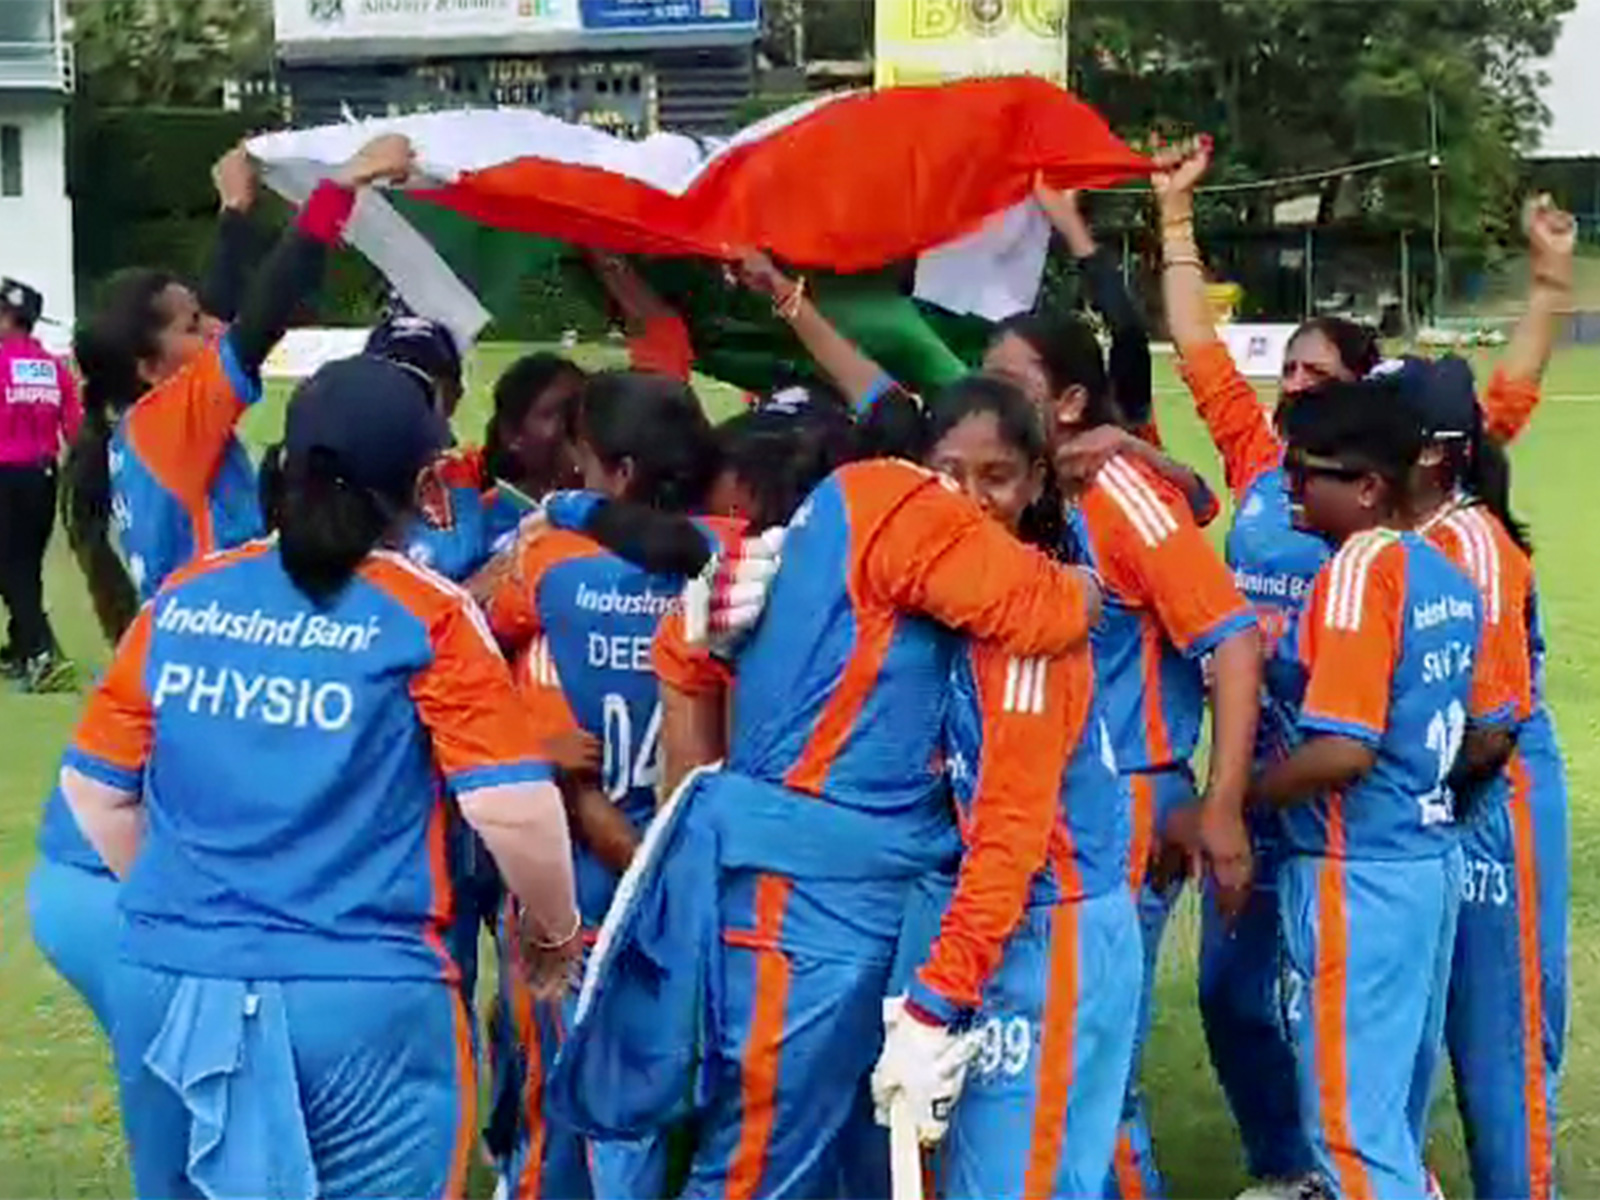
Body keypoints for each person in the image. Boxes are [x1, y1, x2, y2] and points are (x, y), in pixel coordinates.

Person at [1153, 136, 1573, 1198]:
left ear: (1380, 455)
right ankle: (1291, 1168)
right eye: (1283, 372)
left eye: (1313, 376)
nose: (1288, 390)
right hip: (1298, 792)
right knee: (1244, 1000)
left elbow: (1503, 406)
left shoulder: (1397, 541)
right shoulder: (1274, 473)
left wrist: (1550, 283)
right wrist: (1171, 218)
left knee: (1412, 1033)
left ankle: (1377, 1168)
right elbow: (1198, 347)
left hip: (1351, 809)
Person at [59, 353, 582, 1200]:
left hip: (172, 983)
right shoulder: (430, 615)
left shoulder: (185, 600)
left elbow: (96, 793)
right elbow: (514, 809)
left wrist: (205, 906)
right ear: (421, 484)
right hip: (364, 1001)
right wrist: (553, 935)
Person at [554, 440, 1105, 1199]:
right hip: (805, 903)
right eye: (964, 479)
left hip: (801, 894)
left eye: (997, 477)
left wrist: (564, 508)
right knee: (758, 1161)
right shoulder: (897, 516)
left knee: (813, 1154)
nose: (978, 502)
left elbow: (686, 669)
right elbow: (1044, 609)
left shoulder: (794, 551)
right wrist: (1084, 586)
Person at [29, 138, 407, 1040]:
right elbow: (258, 320)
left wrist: (236, 212)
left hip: (182, 693)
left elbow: (225, 311)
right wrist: (341, 191)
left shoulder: (145, 427)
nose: (213, 333)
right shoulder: (172, 423)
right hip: (214, 702)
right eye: (192, 330)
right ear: (158, 369)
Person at [1253, 378, 1516, 1200]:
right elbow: (1487, 728)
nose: (1286, 489)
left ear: (1367, 488)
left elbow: (1342, 751)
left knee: (1350, 1139)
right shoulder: (1446, 571)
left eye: (1305, 474)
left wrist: (1230, 801)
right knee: (1389, 1122)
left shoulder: (1360, 569)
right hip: (1424, 863)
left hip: (1353, 871)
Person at [881, 375, 1140, 1198]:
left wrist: (936, 999)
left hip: (1051, 921)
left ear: (1035, 482)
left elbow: (1014, 836)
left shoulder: (1028, 617)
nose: (969, 498)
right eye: (948, 472)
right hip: (1012, 917)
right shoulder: (958, 595)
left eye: (995, 477)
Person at [472, 370, 723, 1199]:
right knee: (654, 1100)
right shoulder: (734, 558)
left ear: (613, 471)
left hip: (569, 883)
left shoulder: (549, 561)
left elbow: (459, 629)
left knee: (557, 1099)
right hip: (686, 890)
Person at [1034, 316, 1259, 1200]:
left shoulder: (1117, 489)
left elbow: (1232, 638)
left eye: (1008, 377)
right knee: (1058, 1064)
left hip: (1127, 800)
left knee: (1093, 1078)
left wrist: (1222, 807)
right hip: (1059, 800)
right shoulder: (1032, 486)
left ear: (1070, 401)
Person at [1391, 356, 1567, 1200]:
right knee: (1417, 1028)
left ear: (1427, 450)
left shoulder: (1472, 544)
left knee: (1501, 1034)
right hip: (1434, 803)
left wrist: (1398, 792)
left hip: (1493, 803)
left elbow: (1492, 728)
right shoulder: (1399, 534)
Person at [0, 275, 80, 690]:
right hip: (44, 476)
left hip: (5, 475)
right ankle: (19, 646)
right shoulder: (52, 367)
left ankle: (41, 652)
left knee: (10, 568)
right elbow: (75, 426)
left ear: (10, 319)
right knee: (25, 564)